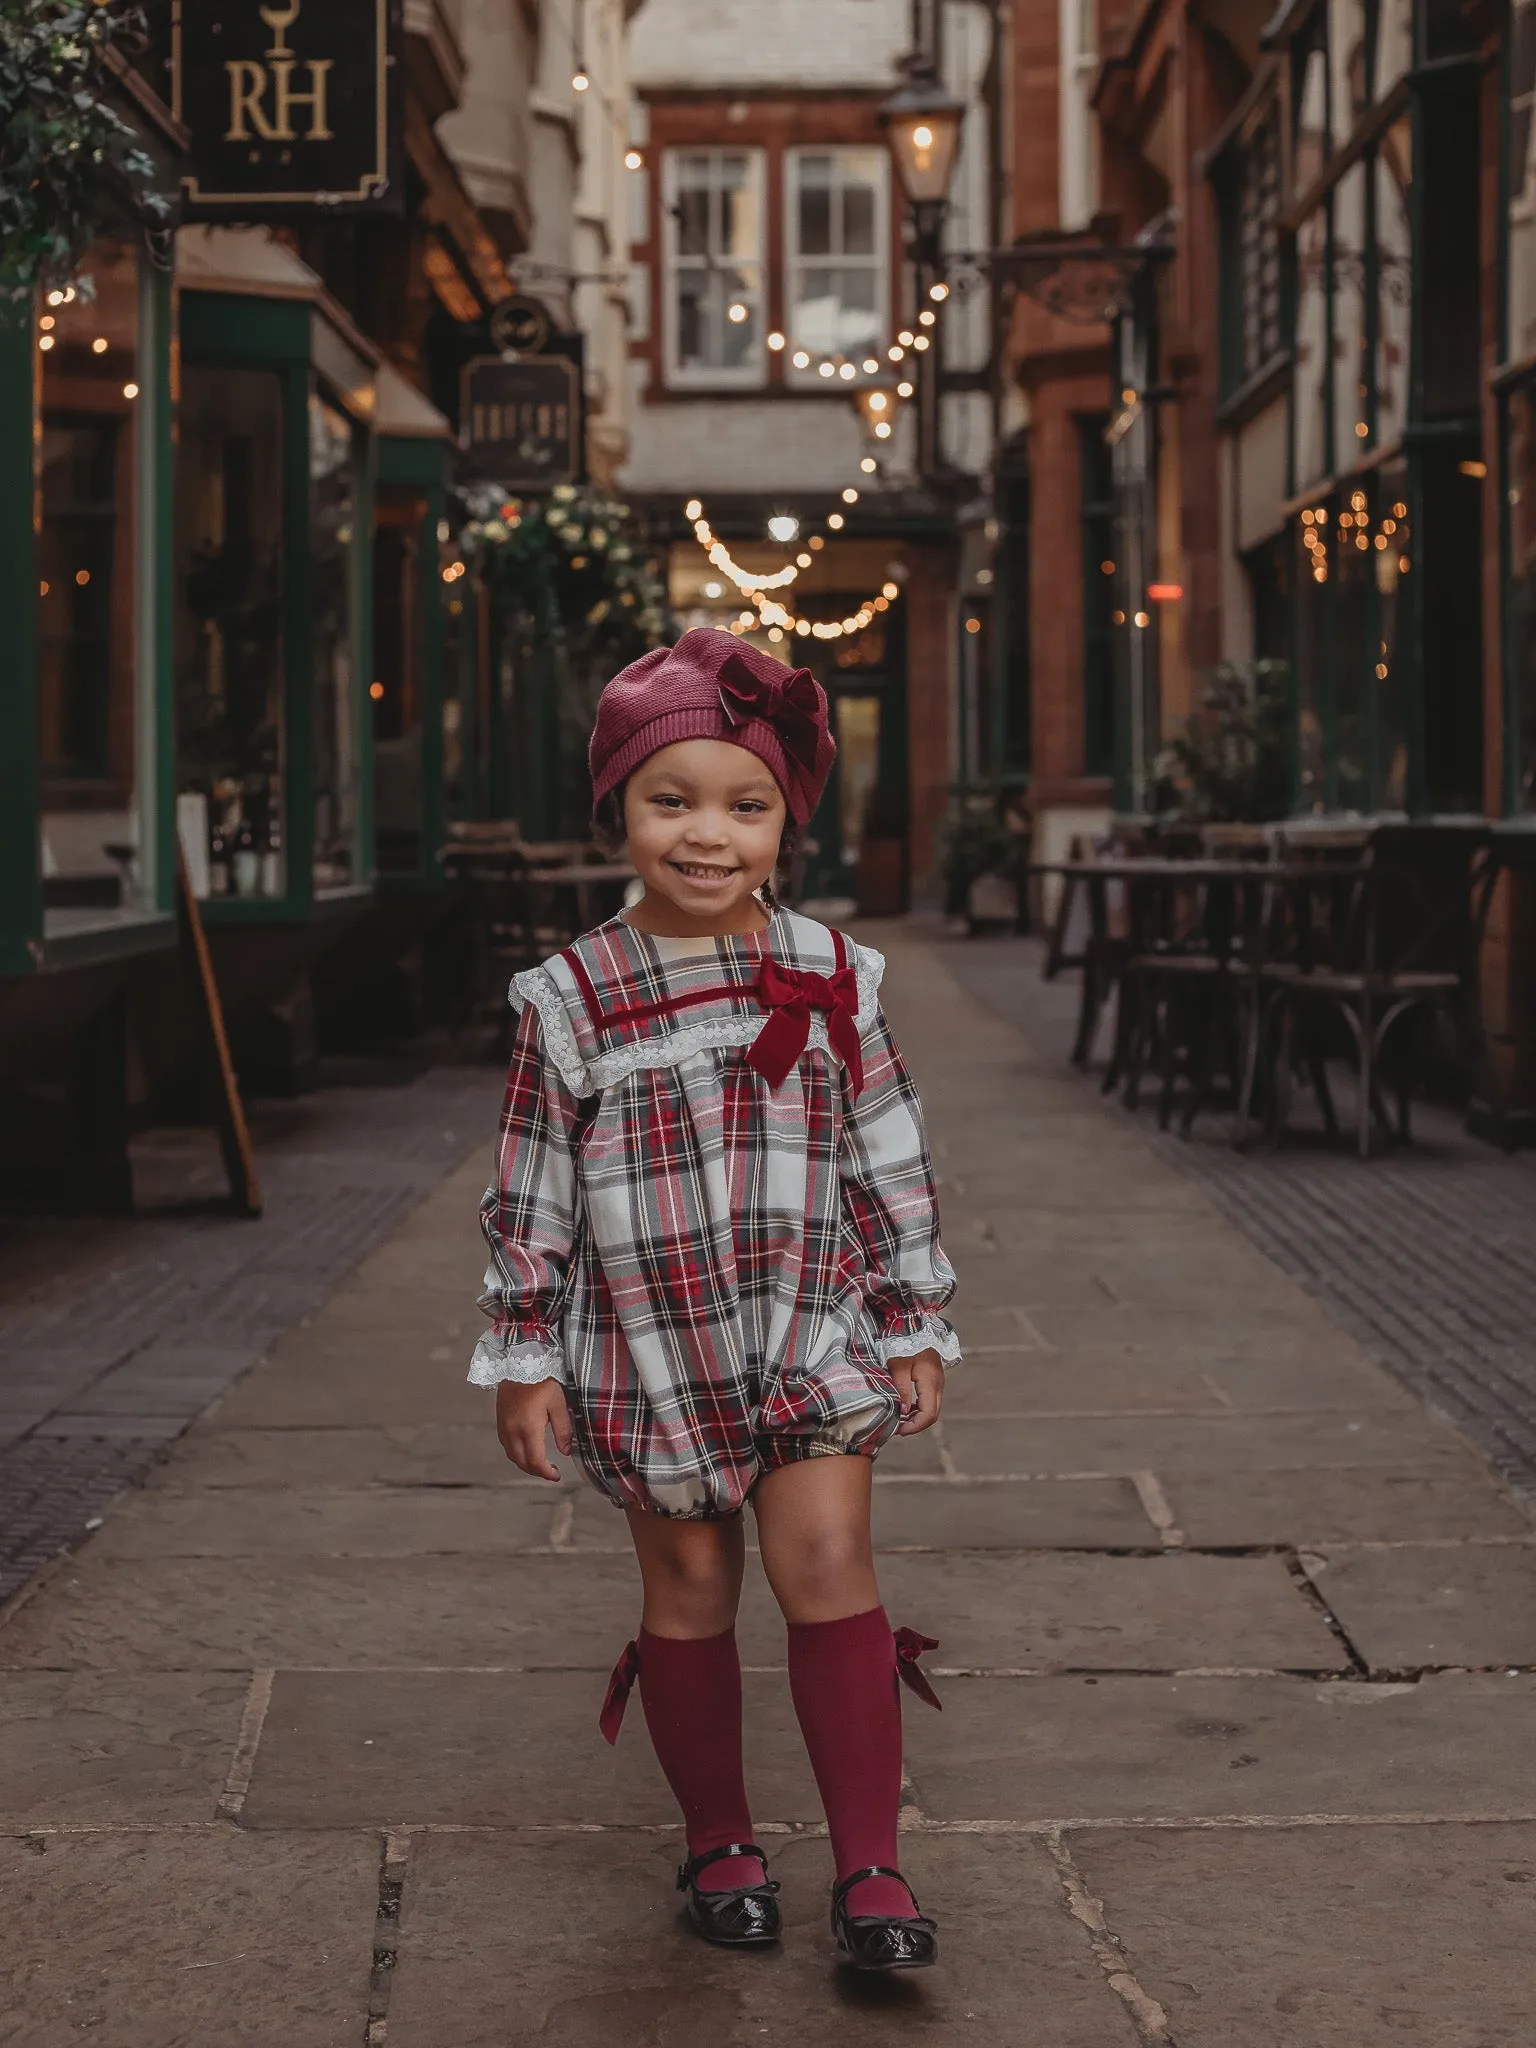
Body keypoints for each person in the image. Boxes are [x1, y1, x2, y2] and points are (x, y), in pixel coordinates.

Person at [470, 627, 960, 1972]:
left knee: (827, 1565)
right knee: (689, 1584)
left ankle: (871, 1862)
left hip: (810, 1324)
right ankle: (722, 1838)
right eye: (668, 800)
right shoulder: (572, 996)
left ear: (786, 817)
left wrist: (912, 1313)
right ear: (618, 808)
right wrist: (525, 1349)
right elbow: (532, 1186)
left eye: (744, 806)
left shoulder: (830, 969)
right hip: (646, 1347)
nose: (706, 836)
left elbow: (888, 1149)